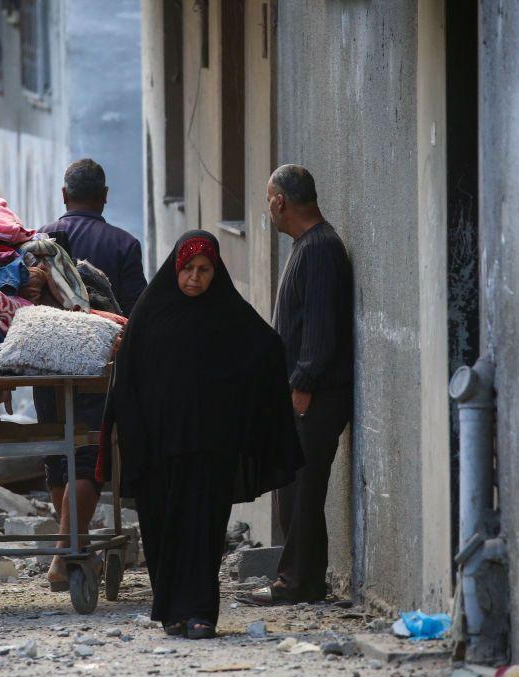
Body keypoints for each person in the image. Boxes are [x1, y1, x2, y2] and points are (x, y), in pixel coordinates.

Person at [98, 230, 303, 638]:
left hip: (211, 448)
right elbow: (127, 380)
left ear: (216, 271)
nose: (195, 278)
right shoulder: (151, 313)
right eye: (188, 268)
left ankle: (201, 614)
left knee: (204, 529)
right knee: (163, 527)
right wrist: (132, 437)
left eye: (205, 270)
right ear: (176, 268)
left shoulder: (228, 313)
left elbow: (268, 348)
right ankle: (171, 611)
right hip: (159, 449)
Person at [0, 158, 147, 591]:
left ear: (63, 195)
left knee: (57, 450)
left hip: (44, 363)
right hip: (95, 365)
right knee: (87, 454)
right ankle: (65, 555)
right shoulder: (124, 245)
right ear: (105, 196)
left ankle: (74, 550)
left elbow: (15, 303)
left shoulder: (40, 241)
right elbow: (136, 312)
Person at [252, 164, 353, 605]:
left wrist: (303, 381)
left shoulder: (318, 249)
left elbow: (320, 326)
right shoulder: (310, 246)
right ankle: (305, 580)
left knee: (303, 487)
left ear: (279, 202)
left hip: (316, 392)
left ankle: (295, 583)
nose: (268, 208)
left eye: (268, 199)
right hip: (305, 388)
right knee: (297, 487)